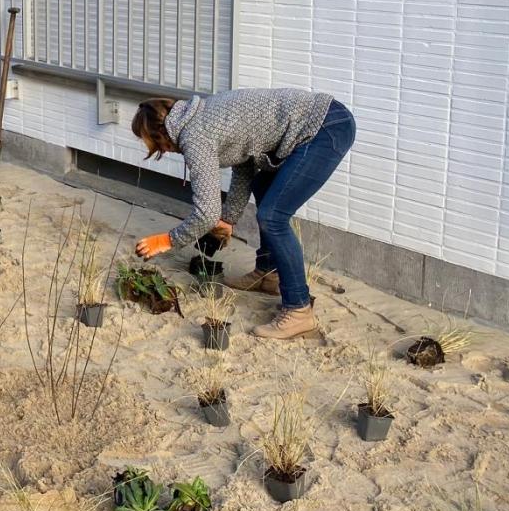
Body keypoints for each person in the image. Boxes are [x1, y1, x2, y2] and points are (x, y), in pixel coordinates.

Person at [129, 88, 356, 341]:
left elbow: (206, 213)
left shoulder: (194, 135)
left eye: (147, 141)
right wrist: (228, 220)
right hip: (324, 121)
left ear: (159, 135)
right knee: (262, 186)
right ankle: (269, 273)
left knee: (273, 217)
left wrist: (167, 240)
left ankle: (299, 310)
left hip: (323, 129)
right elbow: (245, 167)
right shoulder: (200, 115)